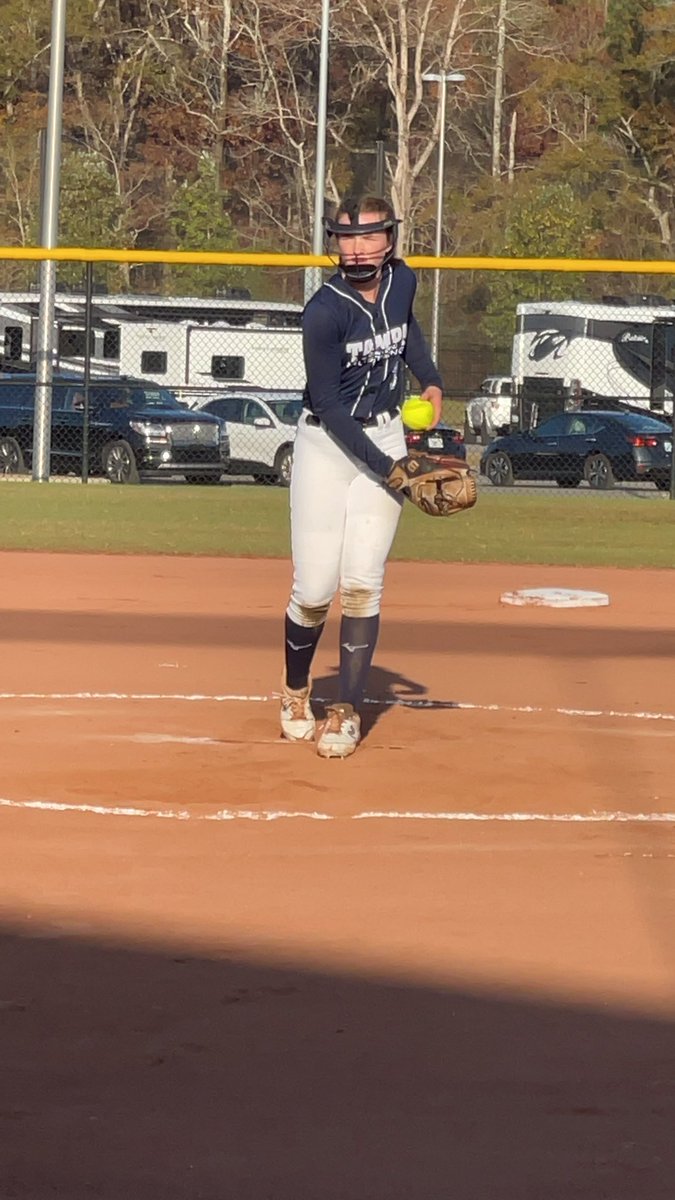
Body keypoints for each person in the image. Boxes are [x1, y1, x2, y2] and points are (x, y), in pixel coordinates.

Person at [280, 194, 443, 759]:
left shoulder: (402, 282)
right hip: (328, 444)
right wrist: (390, 470)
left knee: (363, 582)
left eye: (370, 236)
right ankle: (297, 692)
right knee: (316, 589)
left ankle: (346, 710)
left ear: (390, 238)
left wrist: (431, 379)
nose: (357, 248)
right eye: (347, 238)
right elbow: (326, 402)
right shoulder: (323, 312)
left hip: (387, 431)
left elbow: (408, 331)